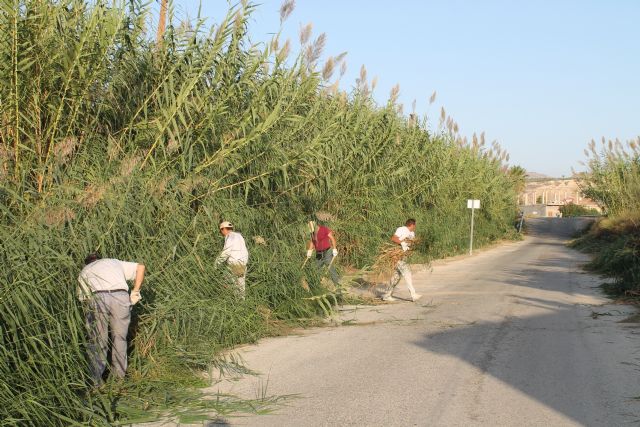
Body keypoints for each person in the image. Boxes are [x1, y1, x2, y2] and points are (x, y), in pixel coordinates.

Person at [77, 253, 145, 385]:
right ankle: (119, 379)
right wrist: (135, 291)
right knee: (119, 338)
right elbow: (141, 267)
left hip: (97, 298)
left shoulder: (84, 271)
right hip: (120, 295)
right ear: (100, 259)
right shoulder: (114, 262)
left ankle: (95, 381)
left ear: (87, 263)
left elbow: (84, 300)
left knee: (98, 340)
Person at [381, 218, 421, 302]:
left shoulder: (412, 233)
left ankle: (387, 295)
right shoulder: (402, 229)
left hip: (404, 256)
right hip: (398, 257)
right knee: (407, 274)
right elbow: (394, 238)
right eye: (415, 225)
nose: (415, 227)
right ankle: (413, 295)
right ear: (412, 224)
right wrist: (402, 243)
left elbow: (411, 243)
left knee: (396, 277)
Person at [215, 221, 249, 298]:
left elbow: (226, 251)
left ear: (223, 229)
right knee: (241, 287)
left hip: (234, 264)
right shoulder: (239, 236)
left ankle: (230, 301)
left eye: (221, 231)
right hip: (243, 263)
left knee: (224, 282)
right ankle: (241, 303)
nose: (221, 233)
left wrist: (217, 263)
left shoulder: (229, 236)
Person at [306, 220, 340, 285]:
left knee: (330, 267)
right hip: (318, 253)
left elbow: (332, 238)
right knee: (316, 269)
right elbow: (312, 241)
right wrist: (309, 251)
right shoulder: (312, 232)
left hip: (327, 251)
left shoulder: (324, 229)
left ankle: (338, 288)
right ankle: (316, 285)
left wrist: (334, 249)